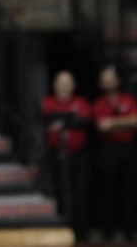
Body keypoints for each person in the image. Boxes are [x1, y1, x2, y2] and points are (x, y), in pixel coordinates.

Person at [40, 70, 92, 240]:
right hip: (56, 156)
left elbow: (84, 121)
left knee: (80, 194)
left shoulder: (81, 102)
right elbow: (46, 118)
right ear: (54, 86)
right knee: (60, 192)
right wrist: (71, 119)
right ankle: (61, 229)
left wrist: (61, 121)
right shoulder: (48, 102)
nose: (64, 87)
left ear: (73, 86)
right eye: (61, 83)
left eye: (67, 83)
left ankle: (81, 233)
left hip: (79, 156)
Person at [93, 64, 137, 242]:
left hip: (128, 149)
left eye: (111, 78)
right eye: (104, 79)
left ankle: (130, 232)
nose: (108, 82)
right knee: (108, 191)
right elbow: (101, 126)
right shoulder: (99, 104)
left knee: (129, 192)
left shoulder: (129, 100)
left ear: (118, 81)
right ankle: (107, 232)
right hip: (108, 149)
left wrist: (112, 123)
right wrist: (124, 122)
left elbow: (136, 122)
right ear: (100, 83)